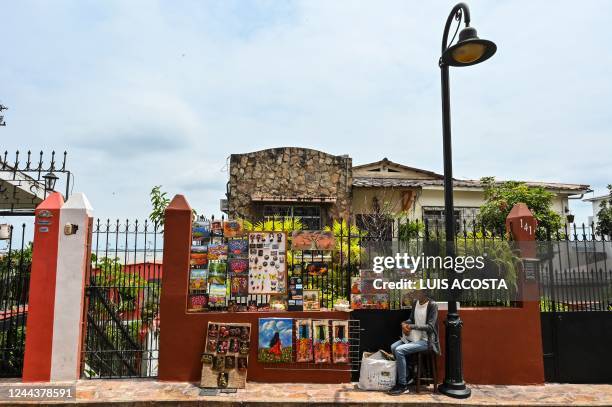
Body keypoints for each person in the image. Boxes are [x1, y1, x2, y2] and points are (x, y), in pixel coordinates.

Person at [388, 290, 440, 396]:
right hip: (415, 338)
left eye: (417, 292)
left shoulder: (432, 305)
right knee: (393, 347)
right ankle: (407, 376)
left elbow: (430, 327)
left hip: (427, 341)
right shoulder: (415, 302)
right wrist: (405, 323)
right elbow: (411, 319)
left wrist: (412, 326)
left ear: (425, 293)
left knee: (399, 350)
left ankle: (403, 386)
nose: (414, 294)